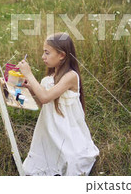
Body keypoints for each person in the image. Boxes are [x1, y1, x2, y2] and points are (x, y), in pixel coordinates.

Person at [17, 32, 99, 175]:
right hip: (50, 129)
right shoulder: (49, 78)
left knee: (72, 159)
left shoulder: (71, 76)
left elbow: (46, 97)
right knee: (41, 163)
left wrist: (29, 74)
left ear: (61, 55)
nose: (43, 57)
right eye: (44, 52)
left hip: (66, 130)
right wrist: (32, 89)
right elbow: (43, 104)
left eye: (47, 53)